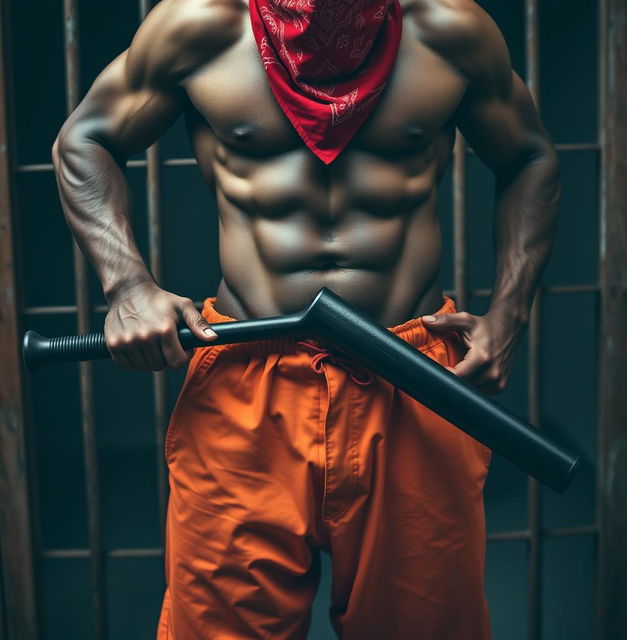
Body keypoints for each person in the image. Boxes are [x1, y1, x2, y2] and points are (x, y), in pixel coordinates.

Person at [52, 0, 560, 637]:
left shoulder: (448, 28)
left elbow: (530, 158)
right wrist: (126, 284)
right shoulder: (201, 25)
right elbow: (85, 138)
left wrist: (510, 314)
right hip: (247, 378)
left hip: (410, 377)